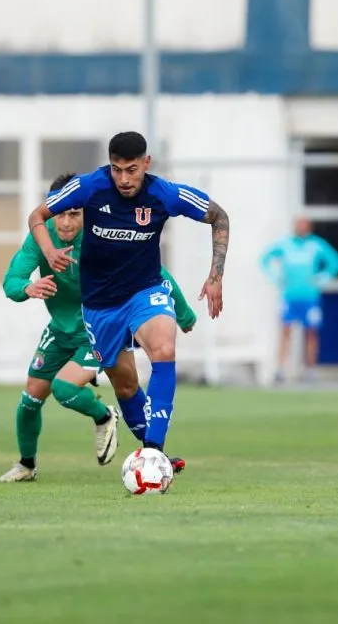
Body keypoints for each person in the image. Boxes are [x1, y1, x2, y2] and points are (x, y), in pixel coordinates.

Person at [26, 132, 229, 472]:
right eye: (117, 169)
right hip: (100, 306)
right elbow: (37, 215)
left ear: (146, 164)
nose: (123, 178)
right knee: (126, 384)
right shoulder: (90, 187)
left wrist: (215, 275)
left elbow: (218, 216)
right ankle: (150, 448)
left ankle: (154, 452)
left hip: (144, 291)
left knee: (163, 348)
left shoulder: (164, 194)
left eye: (131, 170)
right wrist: (48, 251)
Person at [0, 173, 198, 483]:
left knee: (69, 388)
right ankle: (26, 465)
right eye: (60, 214)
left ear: (85, 212)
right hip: (62, 329)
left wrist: (183, 314)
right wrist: (28, 287)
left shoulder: (101, 234)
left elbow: (155, 271)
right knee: (30, 400)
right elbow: (11, 280)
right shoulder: (41, 236)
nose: (66, 223)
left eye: (74, 214)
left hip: (100, 326)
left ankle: (118, 426)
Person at [260, 217, 338, 382]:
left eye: (304, 225)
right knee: (285, 331)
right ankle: (280, 368)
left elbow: (335, 262)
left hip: (310, 296)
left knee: (311, 332)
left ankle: (310, 368)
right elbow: (264, 259)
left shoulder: (316, 245)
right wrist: (275, 277)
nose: (301, 228)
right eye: (299, 224)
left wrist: (322, 278)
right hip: (290, 296)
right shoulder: (284, 244)